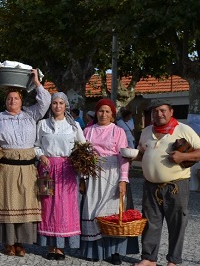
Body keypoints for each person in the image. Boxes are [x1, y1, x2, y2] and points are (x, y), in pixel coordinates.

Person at [0, 69, 50, 257]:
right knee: (7, 203)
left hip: (27, 168)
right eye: (9, 99)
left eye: (16, 98)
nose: (12, 101)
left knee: (26, 204)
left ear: (21, 100)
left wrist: (36, 82)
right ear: (5, 101)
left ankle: (21, 243)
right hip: (5, 167)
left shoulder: (31, 115)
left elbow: (45, 102)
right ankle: (8, 243)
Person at [134, 100, 200, 266]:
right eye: (155, 111)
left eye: (162, 110)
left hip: (176, 186)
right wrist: (132, 156)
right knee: (150, 223)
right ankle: (149, 259)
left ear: (171, 112)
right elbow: (142, 154)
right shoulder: (147, 131)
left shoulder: (183, 130)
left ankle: (173, 261)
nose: (159, 114)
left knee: (177, 224)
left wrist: (183, 157)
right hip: (150, 185)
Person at [80, 98, 137, 264]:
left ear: (112, 114)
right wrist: (83, 178)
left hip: (112, 172)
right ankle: (94, 251)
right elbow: (83, 156)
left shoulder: (117, 131)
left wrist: (123, 180)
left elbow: (123, 156)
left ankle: (115, 252)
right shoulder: (87, 131)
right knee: (93, 210)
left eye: (107, 111)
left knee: (113, 212)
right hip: (93, 173)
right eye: (100, 111)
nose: (103, 114)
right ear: (96, 113)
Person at [34, 92, 85, 260]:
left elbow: (82, 147)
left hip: (67, 171)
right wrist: (41, 156)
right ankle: (50, 246)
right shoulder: (42, 124)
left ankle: (61, 247)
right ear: (51, 106)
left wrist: (80, 166)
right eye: (54, 103)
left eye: (60, 103)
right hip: (47, 169)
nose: (57, 106)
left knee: (65, 206)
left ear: (66, 106)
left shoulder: (74, 126)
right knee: (47, 205)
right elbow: (35, 145)